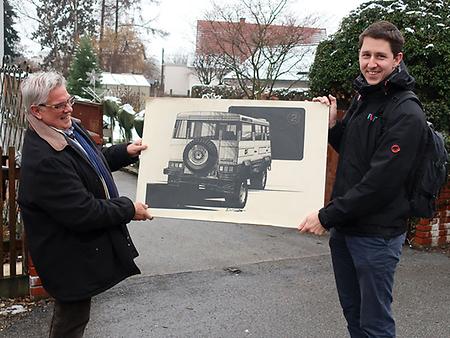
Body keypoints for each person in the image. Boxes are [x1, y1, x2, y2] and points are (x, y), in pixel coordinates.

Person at [298, 21, 427, 337]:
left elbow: (379, 183)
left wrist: (326, 216)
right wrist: (331, 127)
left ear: (397, 59)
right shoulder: (363, 98)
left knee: (375, 324)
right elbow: (356, 154)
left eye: (380, 56)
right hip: (347, 231)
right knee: (355, 318)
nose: (371, 63)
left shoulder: (406, 112)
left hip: (376, 237)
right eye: (366, 54)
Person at [18, 71, 153, 338]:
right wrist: (129, 209)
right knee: (71, 320)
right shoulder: (45, 159)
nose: (69, 108)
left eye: (69, 100)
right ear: (37, 111)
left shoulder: (63, 128)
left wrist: (125, 152)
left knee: (76, 316)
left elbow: (91, 161)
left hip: (74, 250)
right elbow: (83, 211)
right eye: (59, 105)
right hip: (65, 255)